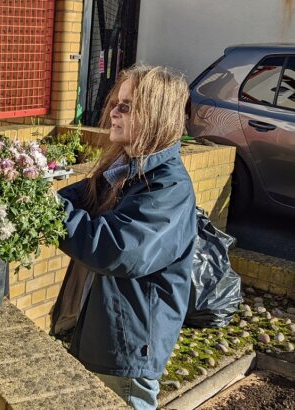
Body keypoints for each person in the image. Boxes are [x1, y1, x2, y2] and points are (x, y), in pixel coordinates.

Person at [55, 65, 196, 409]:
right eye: (117, 103)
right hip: (100, 331)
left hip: (127, 346)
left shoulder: (167, 187)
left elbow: (116, 250)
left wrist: (49, 211)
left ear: (156, 115)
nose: (113, 112)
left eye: (127, 106)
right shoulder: (125, 170)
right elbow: (78, 198)